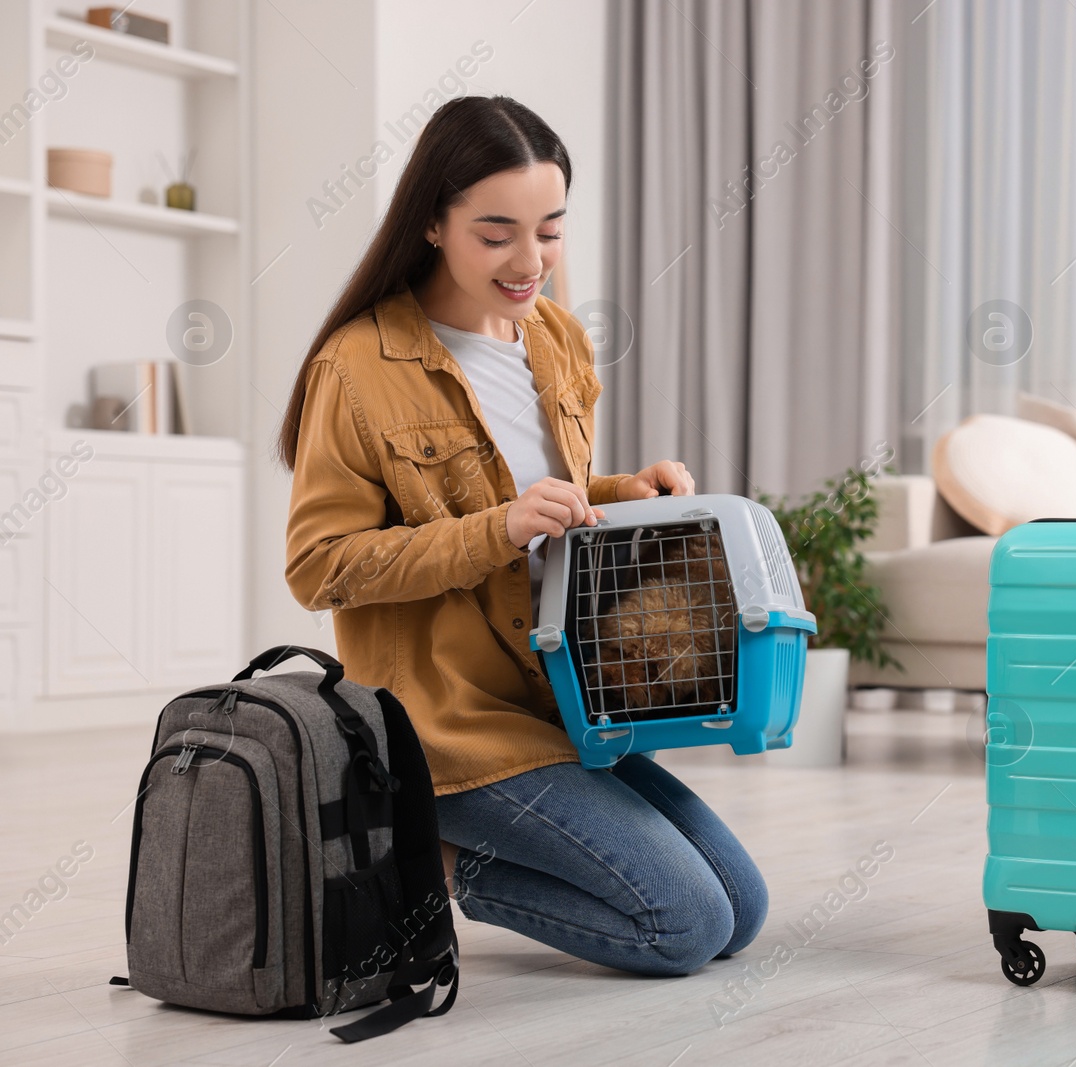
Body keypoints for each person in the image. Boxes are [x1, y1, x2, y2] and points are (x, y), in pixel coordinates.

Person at [279, 95, 767, 976]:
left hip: (559, 705)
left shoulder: (556, 338)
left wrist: (624, 491)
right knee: (686, 926)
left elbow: (553, 499)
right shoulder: (355, 367)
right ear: (432, 221)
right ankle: (426, 859)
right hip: (448, 727)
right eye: (496, 232)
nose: (529, 260)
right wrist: (493, 530)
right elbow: (319, 568)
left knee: (743, 909)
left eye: (550, 229)